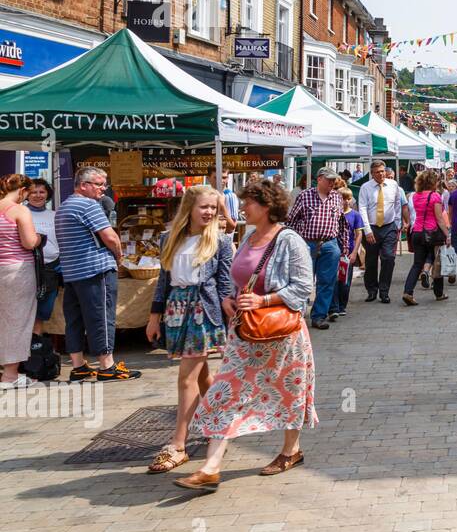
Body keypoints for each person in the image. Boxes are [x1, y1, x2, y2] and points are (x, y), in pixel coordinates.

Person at [175, 178, 317, 493]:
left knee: (289, 391)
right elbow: (237, 278)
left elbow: (304, 286)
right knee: (225, 393)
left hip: (281, 333)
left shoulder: (288, 240)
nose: (242, 207)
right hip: (244, 334)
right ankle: (211, 467)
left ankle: (291, 450)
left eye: (248, 202)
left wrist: (264, 300)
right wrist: (229, 298)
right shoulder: (249, 236)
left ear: (266, 207)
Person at [145, 186, 234, 474]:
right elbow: (163, 279)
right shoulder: (168, 238)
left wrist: (230, 318)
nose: (209, 212)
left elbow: (225, 285)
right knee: (202, 375)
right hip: (176, 308)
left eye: (214, 207)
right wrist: (154, 316)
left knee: (187, 378)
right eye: (204, 207)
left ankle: (178, 444)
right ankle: (219, 423)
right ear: (189, 208)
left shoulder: (220, 242)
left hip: (203, 310)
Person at [55, 167, 138, 382]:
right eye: (99, 184)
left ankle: (78, 365)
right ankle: (107, 366)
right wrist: (119, 256)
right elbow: (110, 237)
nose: (103, 189)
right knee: (101, 317)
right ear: (84, 185)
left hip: (73, 271)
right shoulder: (88, 205)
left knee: (74, 320)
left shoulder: (65, 205)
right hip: (95, 269)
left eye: (104, 184)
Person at [284, 167, 347, 331]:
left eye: (334, 180)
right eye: (329, 180)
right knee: (303, 280)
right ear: (319, 179)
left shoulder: (337, 197)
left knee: (326, 282)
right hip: (307, 243)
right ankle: (298, 314)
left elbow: (342, 224)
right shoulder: (305, 196)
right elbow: (291, 220)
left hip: (330, 244)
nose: (332, 184)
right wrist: (295, 242)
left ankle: (319, 316)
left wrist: (344, 247)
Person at [0, 174, 40, 388]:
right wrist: (39, 238)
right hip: (17, 270)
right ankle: (10, 375)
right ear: (23, 191)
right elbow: (29, 242)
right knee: (18, 320)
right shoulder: (19, 210)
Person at [357, 160, 410, 304]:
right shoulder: (365, 188)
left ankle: (384, 290)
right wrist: (367, 230)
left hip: (389, 226)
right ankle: (372, 290)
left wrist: (398, 223)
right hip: (372, 227)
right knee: (371, 260)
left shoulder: (393, 185)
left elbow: (398, 204)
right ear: (372, 173)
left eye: (382, 171)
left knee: (388, 258)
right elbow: (362, 209)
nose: (381, 174)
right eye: (377, 172)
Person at [403, 169, 450, 306]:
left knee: (417, 264)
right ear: (432, 182)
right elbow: (439, 219)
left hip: (417, 231)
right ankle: (439, 293)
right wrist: (448, 234)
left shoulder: (415, 196)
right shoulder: (435, 196)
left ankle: (408, 291)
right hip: (432, 233)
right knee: (437, 263)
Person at [26, 178, 60, 356]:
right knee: (24, 310)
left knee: (42, 312)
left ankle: (34, 348)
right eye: (33, 192)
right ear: (26, 194)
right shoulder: (22, 214)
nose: (38, 195)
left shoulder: (54, 215)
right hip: (26, 268)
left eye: (42, 192)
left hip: (50, 269)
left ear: (47, 194)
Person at [331, 187, 365, 320]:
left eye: (348, 199)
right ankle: (333, 307)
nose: (345, 202)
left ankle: (342, 306)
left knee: (345, 281)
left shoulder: (355, 215)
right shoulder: (333, 213)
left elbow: (358, 234)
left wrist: (355, 252)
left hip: (348, 253)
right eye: (342, 198)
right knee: (333, 280)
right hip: (334, 252)